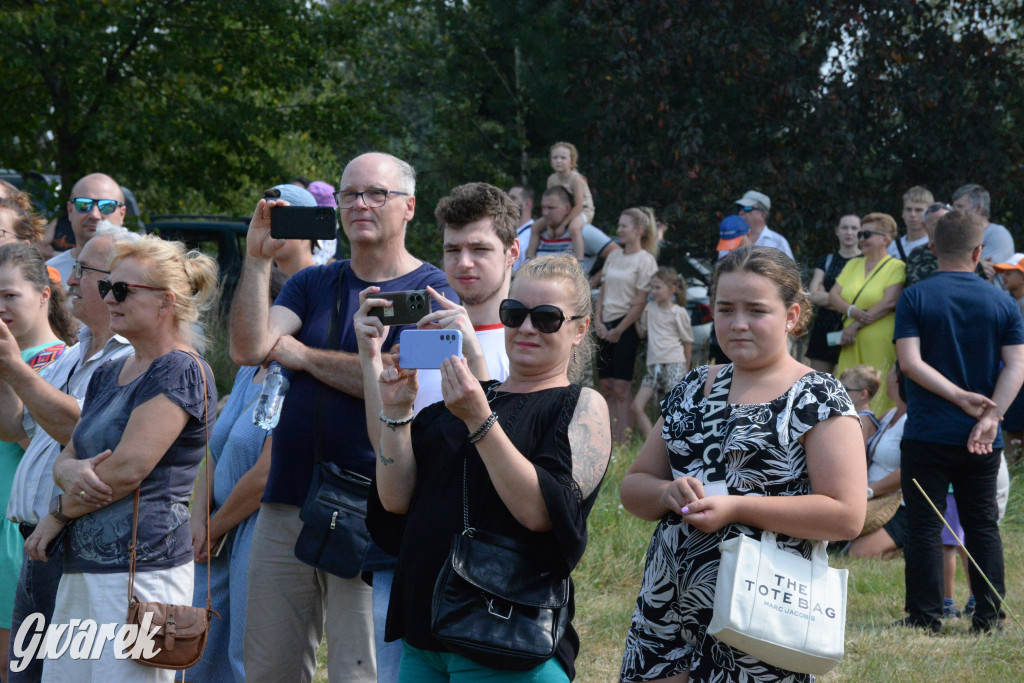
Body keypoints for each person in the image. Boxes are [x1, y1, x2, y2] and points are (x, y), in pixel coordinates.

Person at [230, 152, 454, 683]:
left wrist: (303, 355)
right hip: (285, 500)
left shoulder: (432, 291)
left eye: (376, 193)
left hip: (371, 508)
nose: (360, 204)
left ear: (409, 207)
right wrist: (258, 260)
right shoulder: (311, 284)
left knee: (361, 674)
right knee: (269, 671)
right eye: (351, 193)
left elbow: (401, 383)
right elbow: (247, 347)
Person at [619, 246, 865, 683]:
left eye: (756, 310)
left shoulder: (817, 397)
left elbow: (846, 515)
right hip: (666, 607)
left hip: (762, 617)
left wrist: (737, 507)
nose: (738, 324)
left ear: (792, 315)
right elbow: (634, 485)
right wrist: (664, 493)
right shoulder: (693, 386)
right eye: (725, 309)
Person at [367, 253, 611, 681]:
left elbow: (541, 512)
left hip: (504, 639)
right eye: (514, 314)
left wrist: (480, 420)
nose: (527, 328)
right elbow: (394, 499)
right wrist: (398, 411)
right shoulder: (457, 405)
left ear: (579, 329)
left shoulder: (579, 405)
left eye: (548, 318)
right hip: (425, 634)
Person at [24, 235, 218, 680]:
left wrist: (56, 516)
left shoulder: (180, 368)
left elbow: (128, 469)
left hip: (142, 573)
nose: (107, 297)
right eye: (107, 286)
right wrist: (68, 468)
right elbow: (68, 452)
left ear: (166, 301)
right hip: (83, 565)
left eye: (122, 290)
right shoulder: (112, 370)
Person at [352, 181, 517, 680]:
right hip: (413, 555)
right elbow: (386, 443)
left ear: (512, 252)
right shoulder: (428, 340)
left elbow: (517, 453)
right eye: (452, 249)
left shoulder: (531, 340)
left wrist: (475, 357)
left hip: (494, 568)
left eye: (480, 249)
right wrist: (369, 359)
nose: (464, 263)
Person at [0, 225, 137, 683]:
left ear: (119, 283)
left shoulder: (128, 358)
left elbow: (82, 430)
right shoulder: (73, 352)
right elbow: (14, 427)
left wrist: (18, 371)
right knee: (26, 676)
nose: (71, 280)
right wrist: (8, 368)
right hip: (39, 545)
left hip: (74, 550)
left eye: (83, 271)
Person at [893, 209, 1024, 633]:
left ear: (932, 249)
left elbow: (909, 364)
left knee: (924, 525)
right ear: (978, 251)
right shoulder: (1003, 300)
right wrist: (992, 417)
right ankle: (988, 617)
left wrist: (956, 396)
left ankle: (925, 617)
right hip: (983, 438)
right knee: (982, 524)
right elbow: (1017, 366)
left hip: (928, 432)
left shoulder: (915, 296)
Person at [187, 270, 287, 683]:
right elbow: (215, 447)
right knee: (198, 649)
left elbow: (267, 471)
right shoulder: (249, 369)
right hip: (216, 529)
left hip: (256, 527)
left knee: (245, 653)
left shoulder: (292, 376)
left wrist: (215, 525)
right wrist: (198, 520)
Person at [0, 245, 75, 678]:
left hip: (17, 537)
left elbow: (37, 448)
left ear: (44, 294)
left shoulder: (60, 363)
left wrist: (10, 368)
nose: (1, 307)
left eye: (11, 295)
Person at [830, 213, 906, 415]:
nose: (861, 238)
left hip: (878, 341)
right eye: (860, 233)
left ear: (885, 239)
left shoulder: (896, 267)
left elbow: (889, 301)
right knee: (847, 391)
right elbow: (833, 295)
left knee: (877, 393)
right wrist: (851, 310)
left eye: (867, 234)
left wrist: (855, 325)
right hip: (850, 342)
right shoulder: (853, 264)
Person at [595, 207, 658, 443]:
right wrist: (599, 322)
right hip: (605, 326)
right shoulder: (613, 256)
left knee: (621, 388)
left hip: (626, 327)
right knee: (606, 386)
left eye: (624, 226)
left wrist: (619, 330)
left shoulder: (646, 261)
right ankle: (608, 443)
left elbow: (640, 301)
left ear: (638, 230)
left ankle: (624, 442)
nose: (619, 230)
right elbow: (602, 292)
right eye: (619, 225)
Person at [847, 364, 908, 559]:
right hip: (874, 500)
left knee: (860, 553)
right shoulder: (889, 414)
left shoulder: (913, 420)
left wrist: (870, 491)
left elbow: (909, 469)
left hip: (900, 504)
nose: (886, 379)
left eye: (890, 372)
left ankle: (909, 546)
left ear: (898, 380)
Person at [631, 266, 693, 439]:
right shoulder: (649, 308)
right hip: (653, 365)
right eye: (652, 287)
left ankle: (675, 445)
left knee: (674, 408)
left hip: (674, 363)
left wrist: (685, 370)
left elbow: (687, 342)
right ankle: (652, 443)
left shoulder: (678, 312)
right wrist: (635, 316)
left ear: (671, 290)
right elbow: (642, 333)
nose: (653, 291)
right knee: (637, 406)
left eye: (658, 287)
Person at [45, 174, 127, 282]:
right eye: (83, 204)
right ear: (70, 211)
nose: (94, 215)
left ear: (122, 214)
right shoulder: (48, 273)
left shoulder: (140, 272)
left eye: (106, 206)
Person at [806, 214, 861, 372]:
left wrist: (828, 297)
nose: (849, 232)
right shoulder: (826, 260)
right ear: (837, 231)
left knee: (852, 384)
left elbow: (867, 300)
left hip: (854, 328)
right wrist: (849, 304)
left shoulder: (866, 262)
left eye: (854, 228)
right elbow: (813, 296)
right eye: (844, 227)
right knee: (819, 385)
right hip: (824, 329)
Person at [527, 143, 595, 260]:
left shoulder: (576, 179)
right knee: (535, 227)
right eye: (555, 158)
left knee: (573, 228)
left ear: (572, 162)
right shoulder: (552, 179)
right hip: (562, 211)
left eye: (563, 158)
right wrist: (549, 226)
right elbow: (549, 204)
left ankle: (580, 260)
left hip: (583, 210)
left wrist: (562, 225)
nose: (558, 161)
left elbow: (579, 206)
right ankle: (529, 259)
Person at [994, 253, 1024, 467]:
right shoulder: (1013, 304)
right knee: (1012, 431)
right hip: (1015, 378)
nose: (1003, 276)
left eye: (1010, 272)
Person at [951, 183, 1015, 270]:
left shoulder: (997, 235)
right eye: (953, 206)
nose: (952, 211)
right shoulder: (957, 235)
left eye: (960, 206)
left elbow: (986, 273)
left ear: (978, 208)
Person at [729, 190, 793, 259]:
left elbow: (790, 269)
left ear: (763, 214)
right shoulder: (729, 239)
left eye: (747, 208)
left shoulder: (778, 242)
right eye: (740, 208)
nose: (741, 212)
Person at [839, 364, 882, 444]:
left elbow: (856, 453)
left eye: (844, 388)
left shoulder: (863, 421)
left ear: (863, 394)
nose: (839, 392)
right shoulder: (859, 417)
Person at [888, 186, 934, 258]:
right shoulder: (892, 247)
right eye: (908, 209)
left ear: (928, 214)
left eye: (919, 210)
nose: (912, 215)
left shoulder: (935, 246)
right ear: (903, 213)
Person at [509, 185, 535, 272]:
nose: (508, 202)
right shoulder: (508, 232)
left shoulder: (532, 235)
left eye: (513, 198)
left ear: (527, 204)